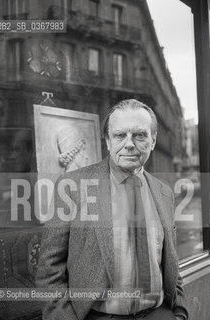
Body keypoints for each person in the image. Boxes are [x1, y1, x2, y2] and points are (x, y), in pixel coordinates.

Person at [36, 99, 189, 320]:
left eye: (140, 135)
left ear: (153, 141)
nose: (129, 144)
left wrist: (180, 311)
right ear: (108, 141)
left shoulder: (164, 192)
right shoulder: (72, 186)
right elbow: (49, 268)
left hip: (159, 313)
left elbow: (170, 262)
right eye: (120, 135)